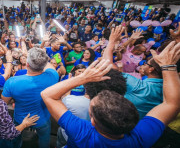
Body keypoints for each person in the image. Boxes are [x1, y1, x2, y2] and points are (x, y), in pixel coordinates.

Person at [41, 39, 180, 147]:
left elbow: (47, 95)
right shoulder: (140, 138)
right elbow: (171, 103)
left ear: (92, 121)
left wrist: (83, 78)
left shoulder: (82, 132)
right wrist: (169, 67)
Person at [1, 48, 59, 148]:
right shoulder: (53, 76)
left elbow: (3, 102)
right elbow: (48, 65)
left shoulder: (12, 81)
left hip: (20, 118)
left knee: (16, 138)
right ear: (44, 64)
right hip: (42, 118)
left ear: (27, 64)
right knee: (44, 140)